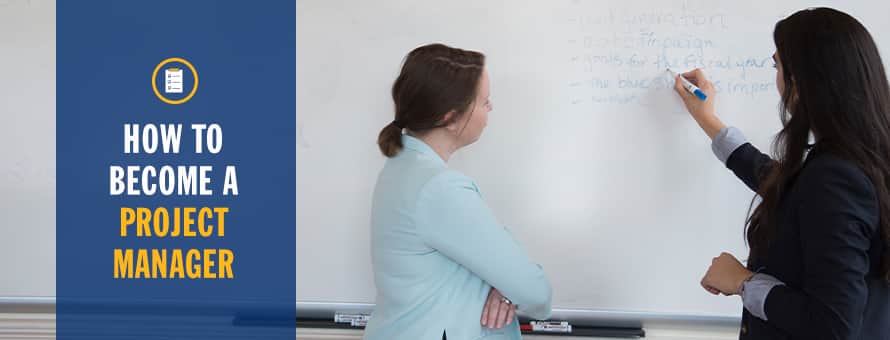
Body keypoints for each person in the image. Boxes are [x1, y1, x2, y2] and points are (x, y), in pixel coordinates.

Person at [674, 7, 890, 340]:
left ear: (803, 81)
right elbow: (787, 188)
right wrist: (709, 121)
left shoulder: (835, 178)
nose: (775, 77)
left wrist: (743, 282)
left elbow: (833, 327)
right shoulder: (861, 161)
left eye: (778, 65)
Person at [362, 43, 552, 340]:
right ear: (450, 118)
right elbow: (536, 292)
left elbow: (500, 272)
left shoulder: (400, 169)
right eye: (484, 101)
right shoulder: (440, 188)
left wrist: (503, 286)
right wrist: (509, 287)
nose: (490, 109)